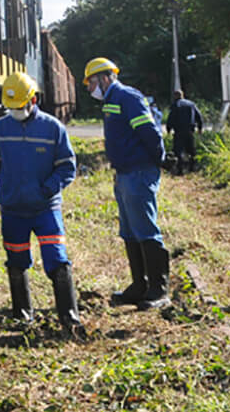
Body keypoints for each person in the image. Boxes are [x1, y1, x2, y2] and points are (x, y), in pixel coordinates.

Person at [0, 71, 81, 331]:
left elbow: (67, 167)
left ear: (33, 101)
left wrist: (47, 189)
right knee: (16, 262)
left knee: (57, 260)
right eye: (11, 107)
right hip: (13, 209)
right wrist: (11, 184)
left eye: (19, 106)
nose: (15, 112)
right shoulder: (1, 128)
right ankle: (22, 315)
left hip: (45, 209)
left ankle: (69, 318)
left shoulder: (53, 128)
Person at [83, 57, 170, 310]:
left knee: (145, 229)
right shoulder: (111, 100)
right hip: (124, 173)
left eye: (91, 83)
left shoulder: (127, 97)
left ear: (105, 78)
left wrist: (158, 160)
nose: (90, 89)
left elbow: (149, 132)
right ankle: (140, 285)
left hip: (138, 171)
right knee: (130, 231)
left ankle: (159, 289)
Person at [167, 89, 203, 174]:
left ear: (175, 96)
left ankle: (180, 169)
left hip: (179, 131)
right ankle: (192, 168)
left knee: (178, 151)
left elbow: (171, 118)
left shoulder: (175, 105)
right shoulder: (191, 104)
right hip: (190, 131)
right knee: (191, 150)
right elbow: (199, 116)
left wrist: (168, 129)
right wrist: (200, 128)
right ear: (182, 95)